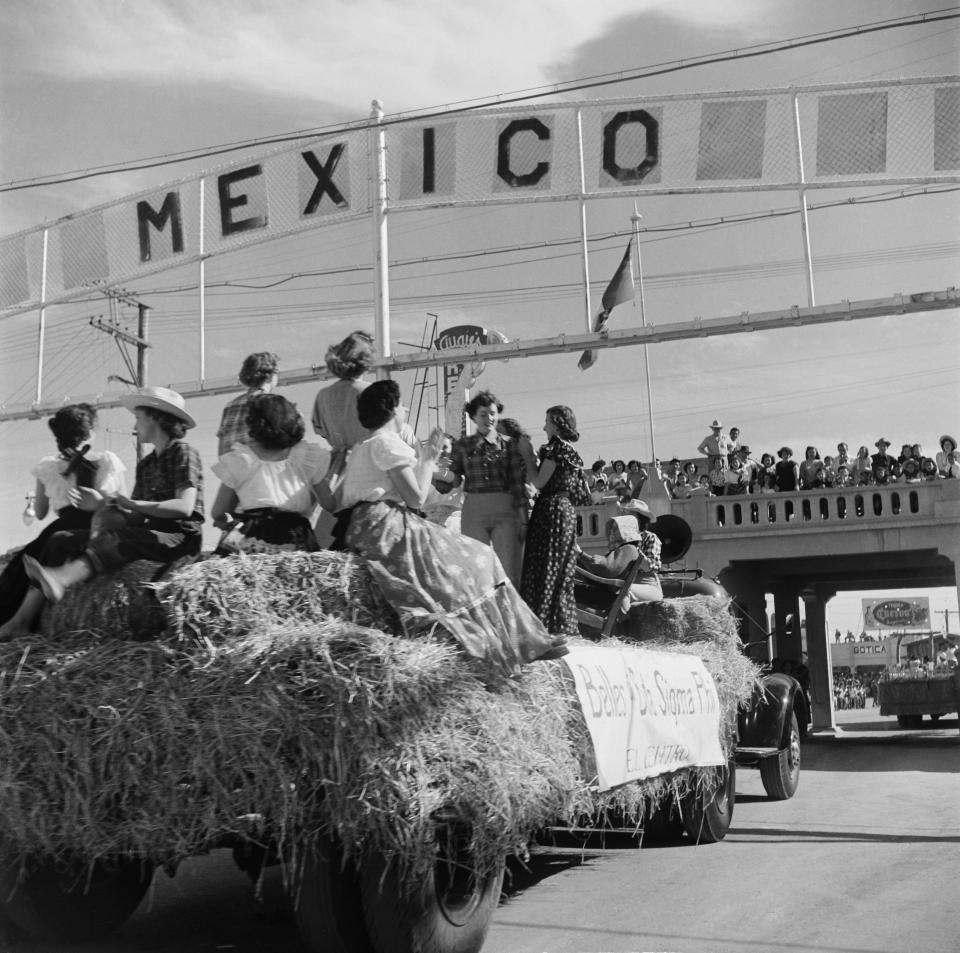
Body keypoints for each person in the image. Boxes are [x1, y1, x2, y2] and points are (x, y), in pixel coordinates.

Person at [340, 380, 563, 677]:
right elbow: (416, 497)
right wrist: (429, 458)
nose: (405, 408)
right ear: (392, 409)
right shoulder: (386, 443)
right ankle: (520, 642)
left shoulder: (362, 447)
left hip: (367, 525)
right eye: (402, 404)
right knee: (479, 560)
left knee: (470, 562)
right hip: (387, 526)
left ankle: (520, 640)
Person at [15, 387, 204, 628]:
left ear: (156, 416)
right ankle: (22, 620)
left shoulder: (184, 452)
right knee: (60, 539)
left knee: (117, 538)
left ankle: (61, 578)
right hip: (149, 534)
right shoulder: (146, 464)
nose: (135, 425)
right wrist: (102, 504)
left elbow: (184, 507)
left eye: (138, 417)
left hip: (179, 536)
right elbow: (134, 517)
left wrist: (132, 504)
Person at [0, 404, 127, 637]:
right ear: (90, 433)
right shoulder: (107, 461)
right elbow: (121, 503)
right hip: (96, 527)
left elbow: (39, 512)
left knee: (22, 568)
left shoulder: (47, 467)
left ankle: (19, 620)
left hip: (60, 527)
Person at [211, 394, 329, 554]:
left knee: (232, 575)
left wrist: (224, 521)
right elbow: (330, 503)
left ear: (253, 424)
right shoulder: (306, 456)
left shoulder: (242, 459)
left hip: (249, 535)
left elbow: (218, 511)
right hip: (294, 535)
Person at [516, 406, 584, 641]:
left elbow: (539, 482)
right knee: (559, 570)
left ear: (556, 423)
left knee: (543, 567)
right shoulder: (571, 452)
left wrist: (526, 454)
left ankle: (541, 624)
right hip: (565, 511)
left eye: (547, 421)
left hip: (551, 512)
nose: (544, 426)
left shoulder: (555, 449)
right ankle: (561, 623)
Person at [448, 391, 527, 586]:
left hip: (505, 511)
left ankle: (510, 615)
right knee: (477, 570)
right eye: (483, 414)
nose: (489, 418)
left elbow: (518, 485)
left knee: (509, 571)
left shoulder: (510, 445)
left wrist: (524, 520)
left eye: (493, 413)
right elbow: (453, 481)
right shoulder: (462, 446)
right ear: (473, 416)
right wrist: (429, 468)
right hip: (474, 510)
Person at [309, 331, 376, 548]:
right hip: (367, 462)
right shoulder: (369, 392)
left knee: (330, 531)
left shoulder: (323, 395)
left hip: (335, 466)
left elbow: (320, 430)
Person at [574, 515, 659, 616]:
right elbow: (601, 569)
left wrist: (581, 554)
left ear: (625, 530)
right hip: (606, 592)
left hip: (608, 596)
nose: (611, 532)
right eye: (611, 529)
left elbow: (607, 570)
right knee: (569, 587)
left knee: (566, 590)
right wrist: (579, 557)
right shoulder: (624, 549)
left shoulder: (628, 549)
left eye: (615, 529)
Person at [216, 352, 280, 456]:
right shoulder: (272, 404)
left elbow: (221, 445)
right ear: (270, 376)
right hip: (259, 466)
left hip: (232, 467)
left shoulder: (230, 406)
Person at [698, 420, 733, 495]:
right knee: (711, 476)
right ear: (712, 429)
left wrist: (728, 452)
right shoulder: (708, 438)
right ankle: (712, 492)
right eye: (715, 428)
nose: (717, 430)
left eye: (719, 428)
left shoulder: (726, 437)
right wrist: (707, 453)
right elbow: (700, 448)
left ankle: (726, 492)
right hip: (712, 458)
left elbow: (732, 446)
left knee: (725, 475)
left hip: (723, 458)